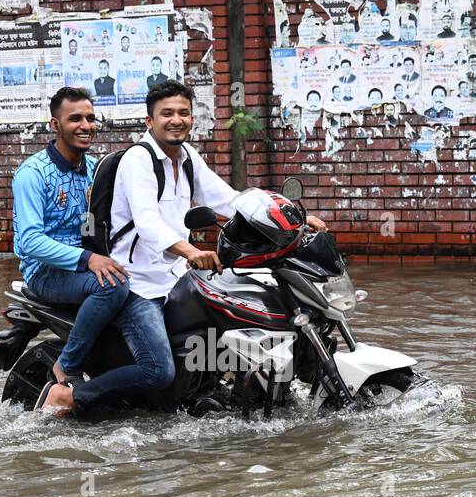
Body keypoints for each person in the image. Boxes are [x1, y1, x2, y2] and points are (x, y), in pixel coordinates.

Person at [37, 82, 325, 416]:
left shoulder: (187, 158)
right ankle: (72, 397)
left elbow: (229, 200)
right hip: (137, 284)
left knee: (225, 331)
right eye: (167, 113)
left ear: (192, 118)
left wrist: (291, 219)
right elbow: (147, 223)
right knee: (158, 370)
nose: (176, 120)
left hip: (176, 279)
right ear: (150, 121)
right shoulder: (138, 160)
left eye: (183, 113)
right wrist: (190, 251)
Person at [14, 88, 131, 401]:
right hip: (46, 272)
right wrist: (88, 259)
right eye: (75, 118)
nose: (86, 125)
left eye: (90, 118)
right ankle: (67, 365)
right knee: (113, 286)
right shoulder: (33, 174)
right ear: (55, 125)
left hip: (88, 264)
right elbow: (31, 241)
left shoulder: (96, 171)